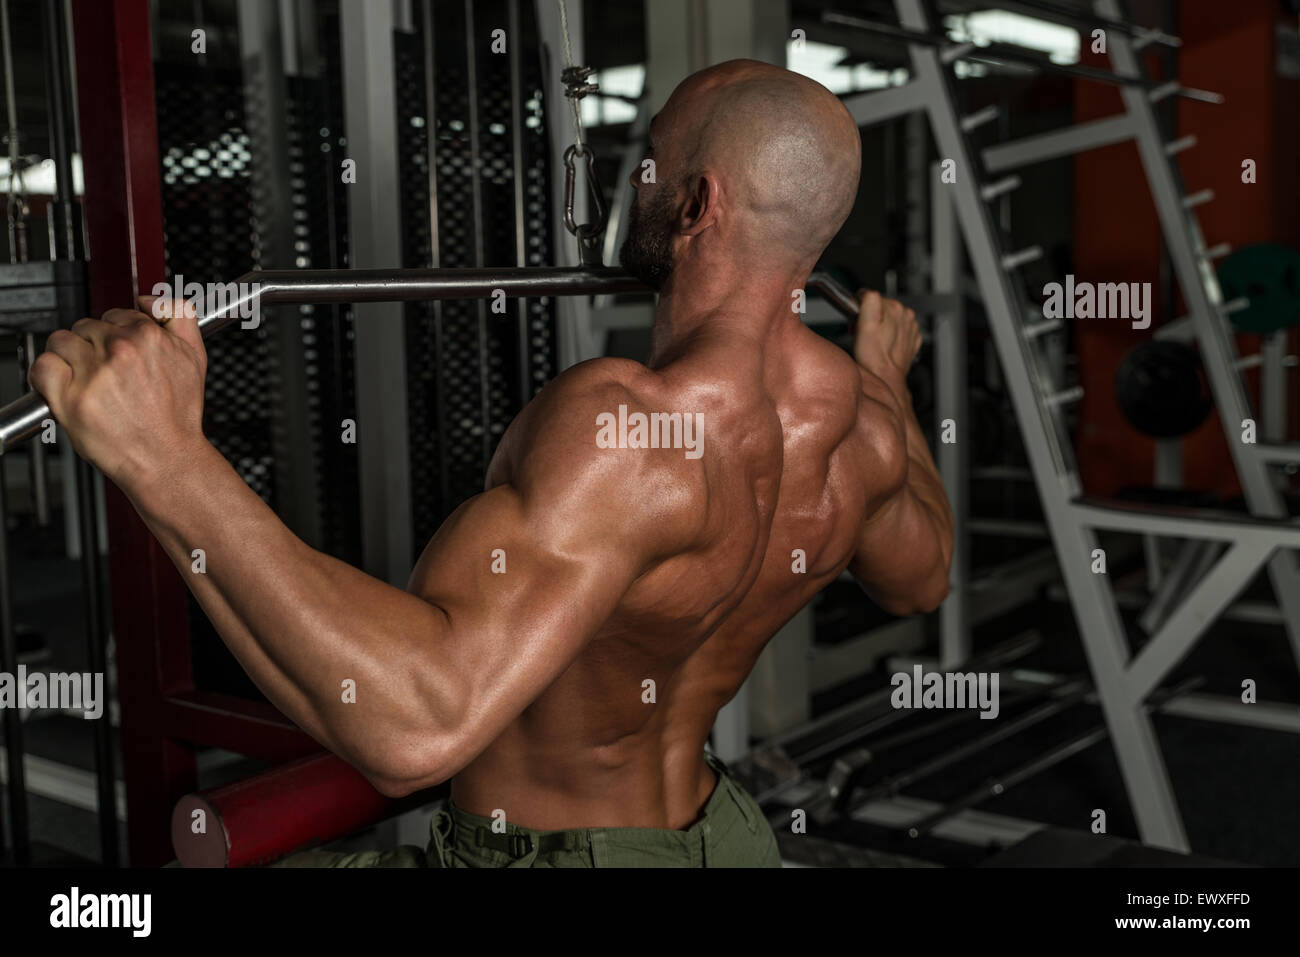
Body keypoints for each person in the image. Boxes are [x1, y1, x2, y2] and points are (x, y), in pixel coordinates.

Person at [30, 59, 952, 868]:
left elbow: (418, 726)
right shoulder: (864, 423)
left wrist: (166, 460)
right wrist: (889, 384)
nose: (628, 188)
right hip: (725, 836)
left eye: (647, 164)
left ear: (700, 204)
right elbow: (924, 577)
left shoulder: (631, 429)